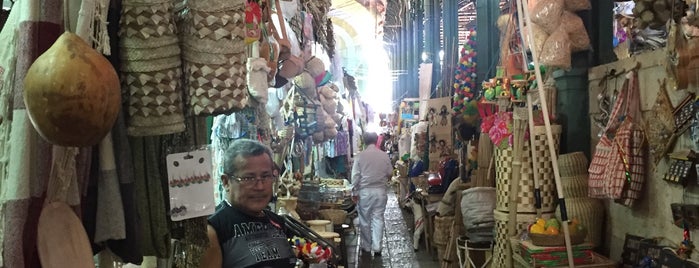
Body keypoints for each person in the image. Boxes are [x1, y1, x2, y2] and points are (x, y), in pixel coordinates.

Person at [200, 139, 297, 268]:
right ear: (226, 182)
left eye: (266, 176)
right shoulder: (214, 230)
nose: (260, 186)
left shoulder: (277, 222)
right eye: (248, 178)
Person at [351, 132, 393, 257]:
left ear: (364, 141)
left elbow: (355, 176)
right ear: (376, 141)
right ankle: (377, 247)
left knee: (365, 219)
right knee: (378, 218)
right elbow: (390, 172)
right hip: (380, 191)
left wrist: (354, 191)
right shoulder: (384, 155)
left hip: (365, 192)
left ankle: (367, 246)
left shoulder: (360, 156)